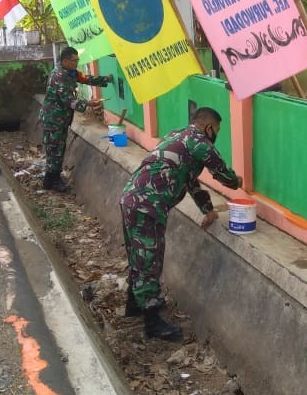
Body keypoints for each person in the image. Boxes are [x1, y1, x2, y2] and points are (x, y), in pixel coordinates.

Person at [119, 107, 242, 340]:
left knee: (138, 255)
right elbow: (223, 174)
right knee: (150, 260)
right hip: (148, 205)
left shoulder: (176, 136)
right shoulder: (200, 143)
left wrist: (207, 209)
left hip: (131, 198)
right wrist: (237, 181)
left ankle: (134, 304)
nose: (215, 135)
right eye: (216, 130)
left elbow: (187, 179)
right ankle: (152, 324)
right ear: (208, 127)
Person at [41, 47, 111, 192]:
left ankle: (51, 180)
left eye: (78, 60)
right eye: (75, 60)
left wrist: (106, 79)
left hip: (60, 119)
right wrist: (88, 103)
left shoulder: (70, 72)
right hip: (53, 120)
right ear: (66, 61)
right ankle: (52, 181)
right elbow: (69, 101)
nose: (77, 63)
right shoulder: (59, 76)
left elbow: (85, 78)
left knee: (58, 149)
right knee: (55, 150)